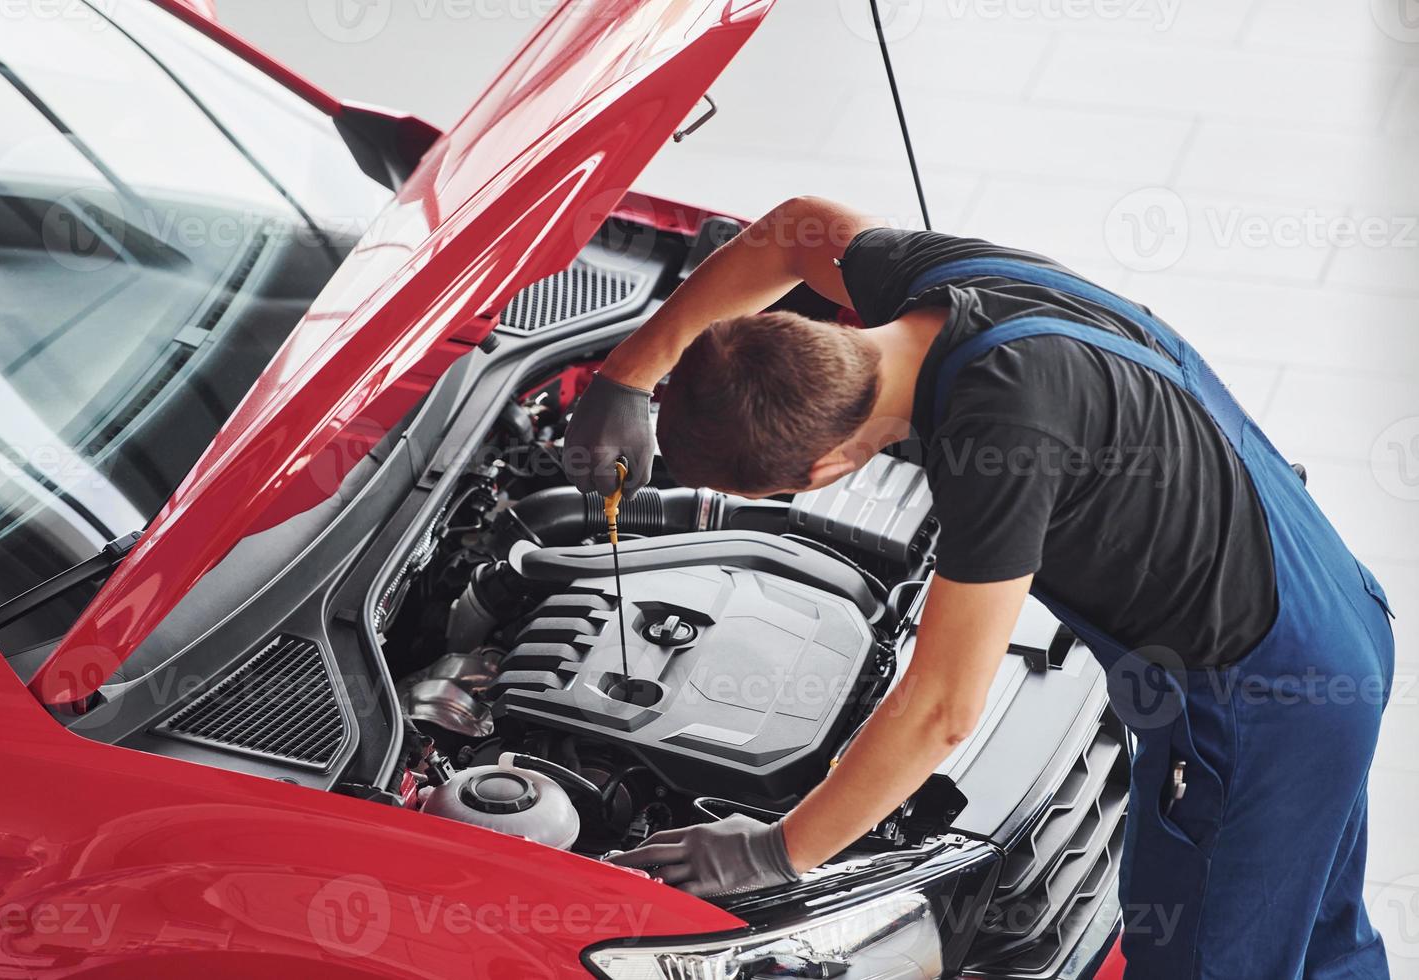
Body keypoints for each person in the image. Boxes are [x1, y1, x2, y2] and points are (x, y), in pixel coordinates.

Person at [564, 196, 1396, 978]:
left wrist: (774, 852)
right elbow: (794, 229)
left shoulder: (999, 440)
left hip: (1258, 709)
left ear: (821, 472)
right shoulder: (943, 283)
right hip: (1331, 600)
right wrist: (629, 376)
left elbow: (942, 709)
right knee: (1322, 936)